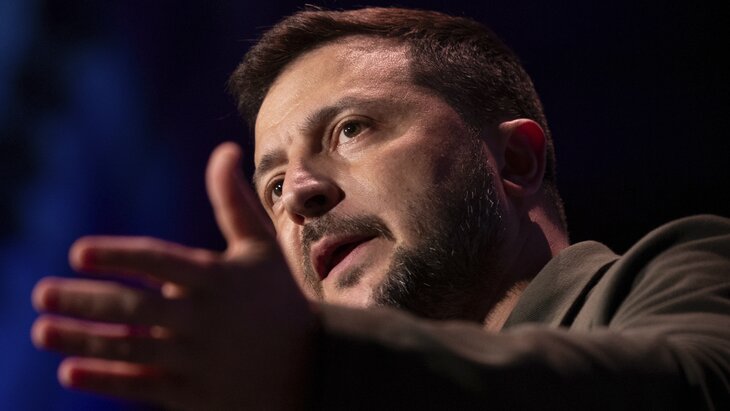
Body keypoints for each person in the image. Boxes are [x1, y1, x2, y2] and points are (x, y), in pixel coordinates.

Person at [31, 6, 729, 410]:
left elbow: (687, 386)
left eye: (350, 130)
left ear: (514, 162)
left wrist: (313, 358)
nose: (299, 195)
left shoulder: (684, 267)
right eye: (273, 186)